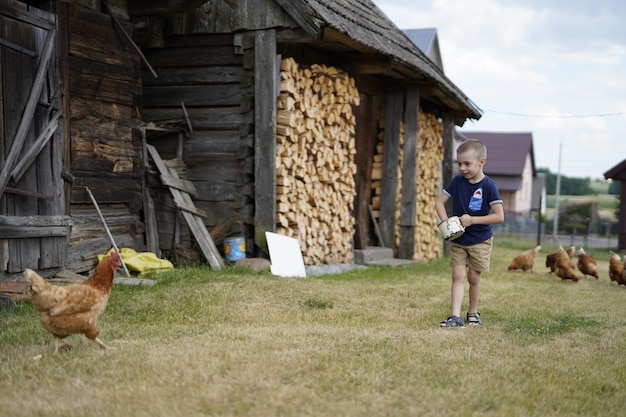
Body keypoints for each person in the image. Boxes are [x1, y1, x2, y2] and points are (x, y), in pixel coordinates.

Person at [434, 139, 504, 328]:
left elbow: (499, 216)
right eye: (459, 164)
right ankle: (455, 317)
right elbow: (439, 203)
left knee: (473, 277)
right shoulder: (457, 181)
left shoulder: (489, 186)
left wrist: (472, 220)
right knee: (457, 275)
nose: (462, 168)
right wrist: (446, 223)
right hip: (459, 239)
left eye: (467, 164)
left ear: (482, 162)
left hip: (480, 240)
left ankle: (472, 312)